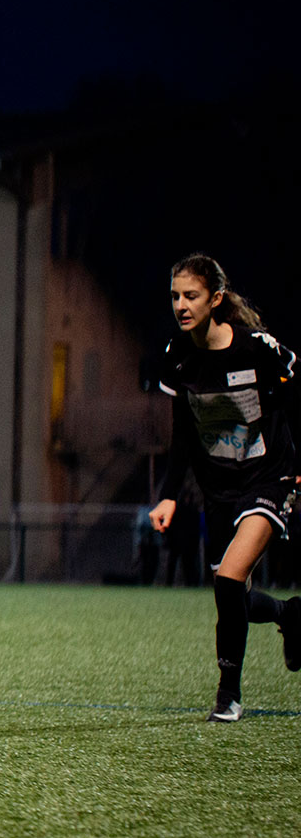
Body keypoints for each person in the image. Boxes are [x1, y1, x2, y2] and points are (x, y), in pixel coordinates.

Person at [148, 253, 301, 722]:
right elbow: (181, 435)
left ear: (215, 299)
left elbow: (294, 395)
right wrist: (170, 493)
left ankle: (228, 695)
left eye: (190, 295)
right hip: (218, 487)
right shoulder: (178, 357)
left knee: (230, 578)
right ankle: (289, 615)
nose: (180, 304)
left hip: (268, 478)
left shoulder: (256, 348)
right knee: (230, 592)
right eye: (174, 295)